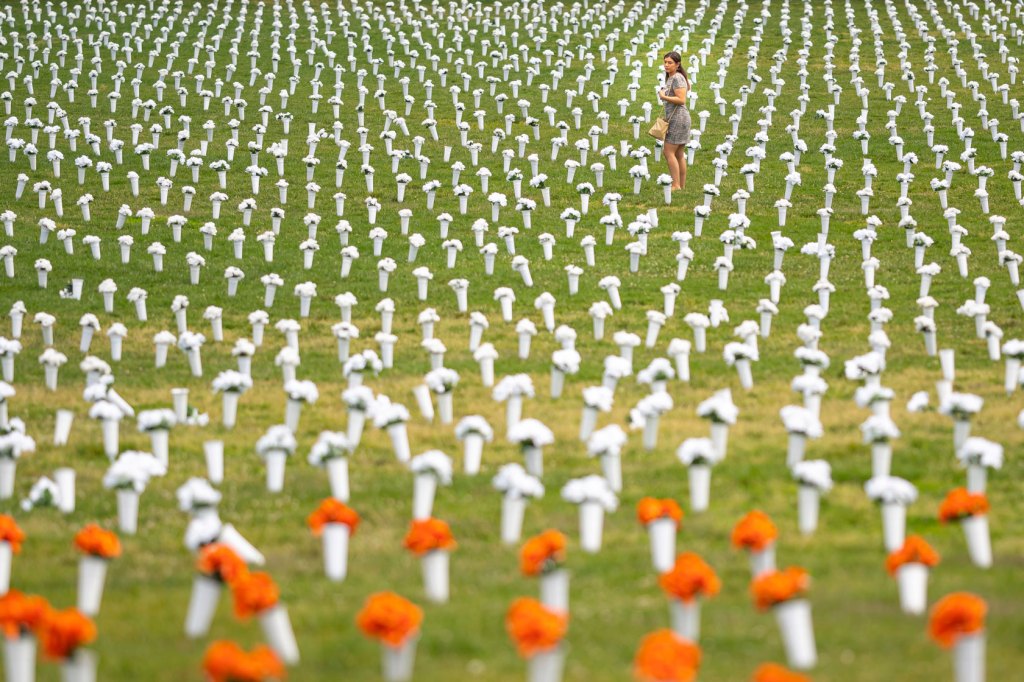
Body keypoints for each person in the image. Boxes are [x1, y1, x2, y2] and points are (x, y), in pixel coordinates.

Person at [658, 52, 691, 191]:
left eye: (670, 62)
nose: (666, 65)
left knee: (668, 152)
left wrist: (663, 96)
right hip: (677, 118)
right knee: (678, 154)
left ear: (678, 65)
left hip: (678, 118)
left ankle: (676, 185)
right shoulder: (672, 77)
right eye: (665, 62)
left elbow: (681, 100)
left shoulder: (677, 78)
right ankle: (680, 185)